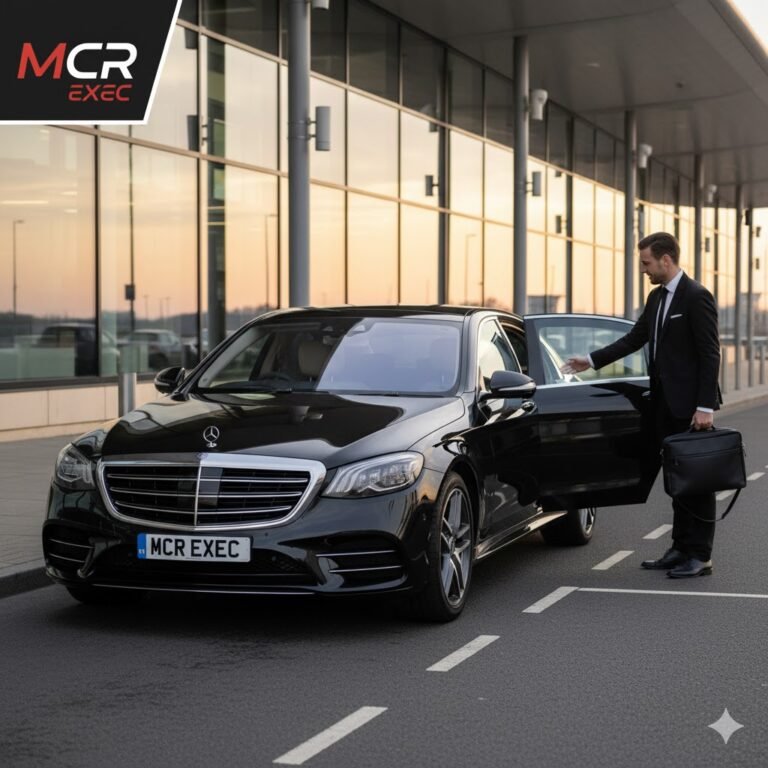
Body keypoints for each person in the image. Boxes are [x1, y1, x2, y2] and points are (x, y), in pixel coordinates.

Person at [561, 232, 721, 578]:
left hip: (691, 408)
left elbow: (710, 353)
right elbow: (635, 338)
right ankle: (680, 548)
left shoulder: (696, 297)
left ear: (666, 260)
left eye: (647, 262)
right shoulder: (656, 298)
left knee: (697, 483)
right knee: (677, 482)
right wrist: (590, 360)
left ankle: (700, 555)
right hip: (664, 405)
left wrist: (705, 406)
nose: (644, 269)